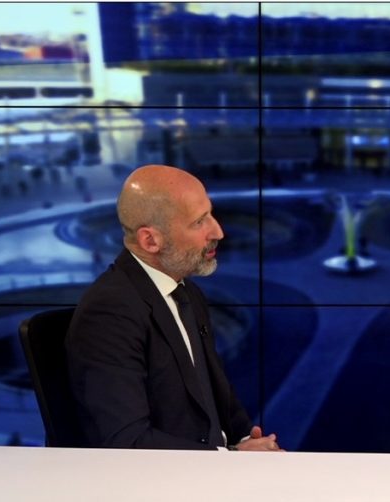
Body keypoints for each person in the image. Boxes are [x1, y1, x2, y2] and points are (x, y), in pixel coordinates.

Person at [67, 165, 281, 451]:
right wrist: (229, 456)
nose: (218, 231)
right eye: (199, 222)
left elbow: (215, 398)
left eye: (210, 214)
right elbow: (127, 441)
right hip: (164, 477)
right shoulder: (109, 313)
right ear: (150, 240)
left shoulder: (186, 292)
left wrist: (248, 440)